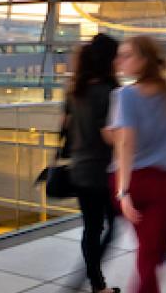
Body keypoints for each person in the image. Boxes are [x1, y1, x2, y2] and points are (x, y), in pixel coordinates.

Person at [108, 36, 166, 293]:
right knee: (150, 256)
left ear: (144, 60)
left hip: (133, 183)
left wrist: (123, 192)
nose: (120, 60)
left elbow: (126, 145)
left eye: (127, 55)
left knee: (148, 256)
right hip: (164, 185)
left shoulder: (125, 95)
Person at [63, 34, 121, 293]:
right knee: (109, 226)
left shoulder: (75, 90)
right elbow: (108, 135)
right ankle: (94, 283)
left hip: (79, 169)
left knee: (93, 228)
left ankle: (94, 283)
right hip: (101, 171)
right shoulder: (108, 92)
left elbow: (65, 127)